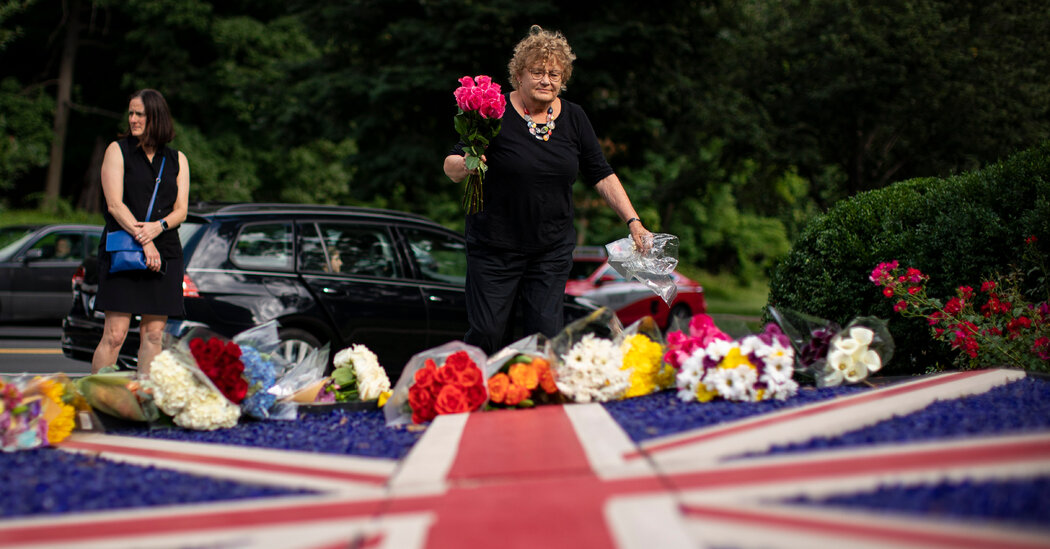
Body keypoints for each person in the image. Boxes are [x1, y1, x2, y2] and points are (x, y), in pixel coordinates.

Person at [443, 25, 651, 354]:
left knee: (544, 337)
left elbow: (601, 173)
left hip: (549, 251)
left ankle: (531, 399)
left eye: (554, 74)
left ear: (563, 77)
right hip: (495, 248)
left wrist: (633, 221)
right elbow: (452, 166)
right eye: (537, 72)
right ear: (519, 75)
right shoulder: (493, 112)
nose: (546, 80)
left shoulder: (575, 117)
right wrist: (468, 161)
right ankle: (475, 393)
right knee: (487, 332)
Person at [92, 89, 190, 376]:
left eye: (140, 114)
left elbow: (180, 210)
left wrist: (158, 228)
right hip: (125, 248)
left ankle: (145, 402)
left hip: (166, 251)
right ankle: (96, 401)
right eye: (131, 113)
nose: (133, 119)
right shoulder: (117, 150)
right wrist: (145, 240)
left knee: (153, 336)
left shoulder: (177, 160)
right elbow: (114, 205)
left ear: (155, 117)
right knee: (115, 335)